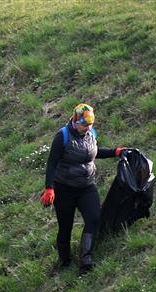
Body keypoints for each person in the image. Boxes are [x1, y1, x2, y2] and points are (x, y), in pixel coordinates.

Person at [41, 103, 126, 273]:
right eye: (84, 125)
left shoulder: (90, 134)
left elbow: (93, 152)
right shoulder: (62, 137)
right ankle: (64, 262)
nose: (88, 128)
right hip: (64, 188)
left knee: (93, 219)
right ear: (75, 120)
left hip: (87, 186)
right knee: (66, 227)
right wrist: (49, 188)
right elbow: (52, 163)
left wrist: (115, 152)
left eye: (90, 125)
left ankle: (86, 259)